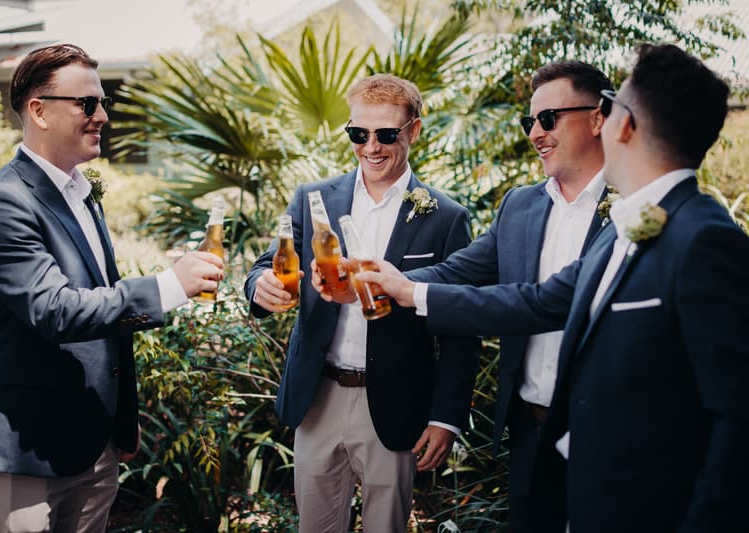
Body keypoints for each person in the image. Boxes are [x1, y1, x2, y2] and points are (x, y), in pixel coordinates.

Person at [358, 43, 749, 533]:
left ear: (617, 124)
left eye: (611, 108)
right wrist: (395, 286)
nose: (536, 134)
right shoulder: (632, 222)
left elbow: (737, 415)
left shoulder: (704, 236)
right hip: (554, 452)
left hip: (643, 482)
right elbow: (525, 292)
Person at [0, 44, 223, 532]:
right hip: (21, 452)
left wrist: (121, 416)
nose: (102, 115)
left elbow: (103, 309)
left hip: (94, 447)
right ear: (38, 111)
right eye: (87, 104)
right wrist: (169, 285)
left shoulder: (81, 193)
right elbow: (55, 311)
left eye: (102, 103)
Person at [244, 74, 479, 532]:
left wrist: (446, 418)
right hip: (318, 397)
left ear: (413, 131)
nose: (371, 147)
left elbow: (460, 327)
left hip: (396, 402)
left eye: (386, 134)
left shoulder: (446, 216)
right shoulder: (313, 199)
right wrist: (260, 287)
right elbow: (268, 264)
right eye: (358, 133)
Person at [389, 61, 611, 533]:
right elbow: (458, 271)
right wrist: (382, 279)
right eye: (528, 122)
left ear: (598, 118)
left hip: (612, 434)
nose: (535, 133)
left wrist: (410, 291)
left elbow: (535, 302)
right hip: (529, 430)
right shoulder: (519, 205)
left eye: (548, 118)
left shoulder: (634, 208)